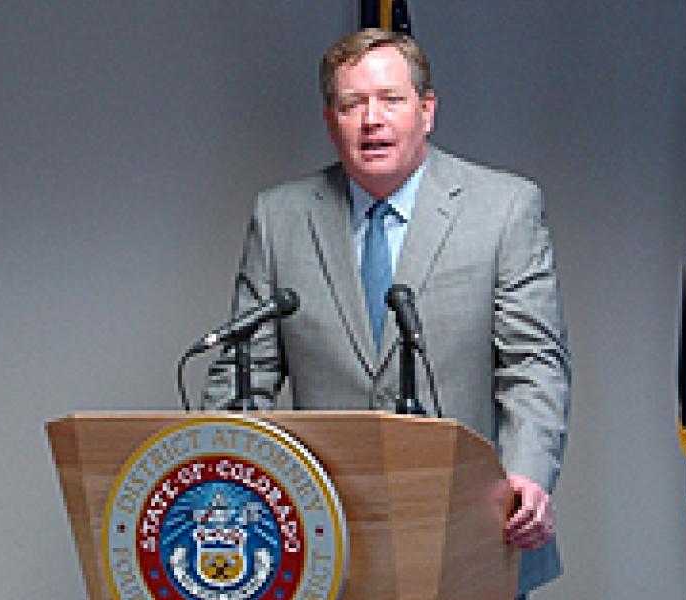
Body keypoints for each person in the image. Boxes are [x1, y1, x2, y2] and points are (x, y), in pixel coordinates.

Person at [203, 30, 570, 595]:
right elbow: (242, 375)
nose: (372, 120)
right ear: (331, 123)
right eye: (353, 104)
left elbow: (533, 364)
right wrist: (220, 480)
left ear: (427, 110)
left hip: (468, 530)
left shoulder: (504, 209)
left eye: (391, 99)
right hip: (327, 539)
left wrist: (528, 475)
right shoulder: (280, 218)